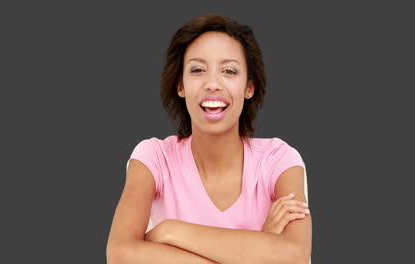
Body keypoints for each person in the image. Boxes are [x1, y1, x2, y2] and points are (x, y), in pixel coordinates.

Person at [107, 13, 312, 264]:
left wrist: (170, 231)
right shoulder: (153, 157)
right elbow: (120, 254)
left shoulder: (278, 159)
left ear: (250, 87)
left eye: (229, 70)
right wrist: (258, 247)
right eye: (197, 70)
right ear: (180, 85)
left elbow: (295, 255)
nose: (212, 83)